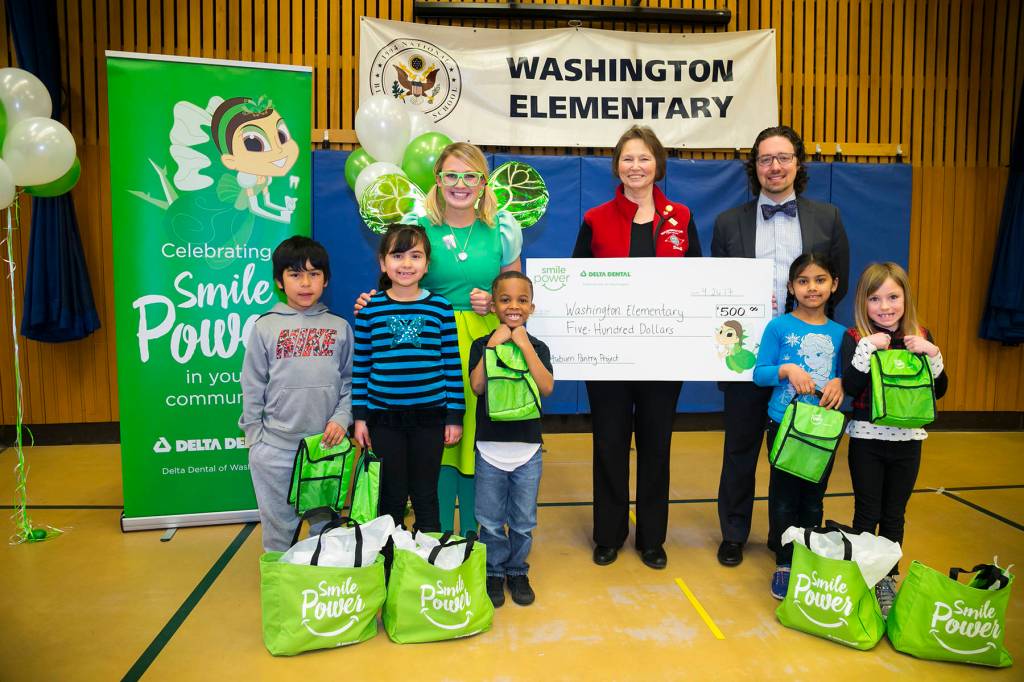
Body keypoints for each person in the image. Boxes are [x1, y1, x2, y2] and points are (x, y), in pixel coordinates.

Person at [355, 142, 523, 535]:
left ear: (483, 182)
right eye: (452, 175)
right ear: (438, 178)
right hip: (428, 347)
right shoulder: (418, 223)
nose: (460, 184)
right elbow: (398, 277)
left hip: (486, 345)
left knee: (478, 439)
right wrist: (372, 300)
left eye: (470, 176)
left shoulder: (503, 226)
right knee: (438, 441)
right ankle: (438, 534)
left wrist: (495, 302)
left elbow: (517, 295)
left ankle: (479, 539)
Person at [712, 125, 850, 568]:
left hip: (804, 366)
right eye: (765, 159)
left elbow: (838, 285)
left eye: (783, 157)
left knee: (796, 454)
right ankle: (734, 533)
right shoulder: (728, 223)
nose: (775, 166)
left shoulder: (827, 217)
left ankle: (786, 537)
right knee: (739, 451)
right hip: (748, 357)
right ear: (754, 166)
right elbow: (718, 292)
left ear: (798, 163)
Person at [572, 125, 702, 570]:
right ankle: (608, 535)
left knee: (656, 446)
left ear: (658, 164)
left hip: (665, 357)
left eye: (644, 157)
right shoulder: (595, 219)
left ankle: (652, 539)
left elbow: (699, 282)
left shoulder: (681, 217)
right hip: (607, 358)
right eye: (627, 158)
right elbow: (576, 283)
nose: (636, 166)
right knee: (609, 445)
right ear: (616, 166)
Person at [841, 262, 948, 616]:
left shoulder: (921, 335)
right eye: (875, 299)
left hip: (908, 443)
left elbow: (939, 391)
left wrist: (933, 353)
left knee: (894, 515)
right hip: (867, 441)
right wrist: (866, 349)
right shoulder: (856, 337)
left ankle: (886, 579)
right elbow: (851, 387)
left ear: (906, 298)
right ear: (863, 302)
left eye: (892, 297)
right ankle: (858, 577)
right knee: (866, 512)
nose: (885, 306)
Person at [239, 236, 353, 551]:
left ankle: (319, 576)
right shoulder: (265, 327)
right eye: (295, 274)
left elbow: (349, 381)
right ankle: (281, 577)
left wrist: (342, 418)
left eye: (314, 274)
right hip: (275, 450)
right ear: (279, 281)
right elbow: (252, 384)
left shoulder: (339, 326)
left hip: (325, 449)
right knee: (278, 530)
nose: (305, 283)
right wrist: (256, 439)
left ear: (326, 279)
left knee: (324, 529)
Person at [351, 224, 465, 533]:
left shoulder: (440, 308)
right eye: (397, 255)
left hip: (430, 418)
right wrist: (360, 418)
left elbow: (452, 365)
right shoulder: (371, 310)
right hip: (384, 419)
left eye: (415, 256)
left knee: (426, 494)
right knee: (391, 496)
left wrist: (454, 416)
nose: (406, 264)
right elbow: (361, 366)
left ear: (427, 264)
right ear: (382, 263)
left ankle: (429, 555)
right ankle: (391, 554)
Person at [752, 253, 846, 599]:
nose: (812, 288)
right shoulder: (778, 328)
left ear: (834, 285)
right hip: (784, 425)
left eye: (820, 280)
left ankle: (806, 555)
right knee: (783, 497)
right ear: (791, 287)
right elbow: (759, 374)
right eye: (803, 281)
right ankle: (785, 561)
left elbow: (851, 379)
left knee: (813, 498)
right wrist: (787, 369)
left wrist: (841, 382)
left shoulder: (842, 334)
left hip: (823, 430)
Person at [468, 271, 554, 607]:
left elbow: (546, 387)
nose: (513, 306)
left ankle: (517, 569)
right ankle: (493, 571)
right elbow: (477, 386)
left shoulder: (539, 347)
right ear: (493, 306)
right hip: (489, 449)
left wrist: (523, 345)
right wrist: (493, 345)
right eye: (505, 300)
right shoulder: (482, 345)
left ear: (532, 307)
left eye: (522, 300)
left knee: (523, 521)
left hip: (528, 451)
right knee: (489, 521)